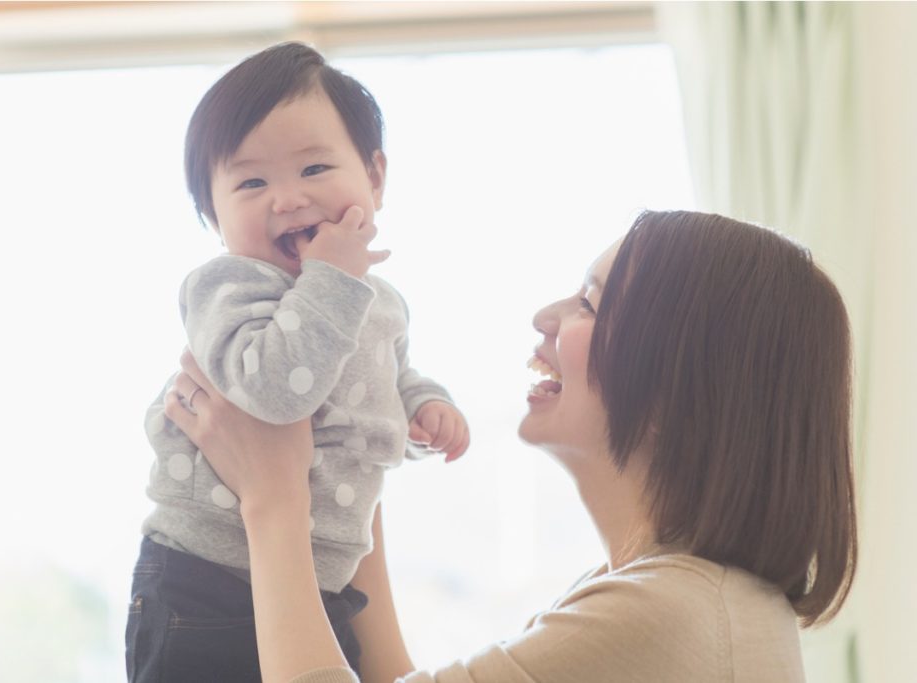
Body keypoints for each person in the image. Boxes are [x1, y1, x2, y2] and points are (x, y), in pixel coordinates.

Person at [164, 209, 858, 682]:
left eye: (589, 303)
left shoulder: (668, 613)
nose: (545, 318)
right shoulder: (680, 597)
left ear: (685, 378)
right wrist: (350, 468)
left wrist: (274, 504)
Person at [126, 42, 469, 682]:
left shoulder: (376, 299)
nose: (286, 199)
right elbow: (279, 393)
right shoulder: (226, 287)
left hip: (325, 581)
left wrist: (427, 405)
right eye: (251, 182)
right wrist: (332, 279)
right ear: (212, 215)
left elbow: (391, 376)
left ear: (375, 177)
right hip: (207, 580)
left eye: (314, 169)